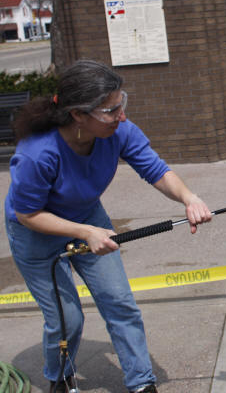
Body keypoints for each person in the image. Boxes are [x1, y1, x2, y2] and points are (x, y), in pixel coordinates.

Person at [4, 60, 212, 393]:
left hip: (87, 215)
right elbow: (28, 213)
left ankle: (141, 382)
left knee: (119, 301)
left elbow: (155, 169)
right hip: (37, 230)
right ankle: (59, 375)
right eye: (111, 110)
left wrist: (189, 198)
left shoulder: (118, 132)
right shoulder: (37, 153)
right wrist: (84, 232)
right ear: (78, 115)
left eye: (121, 104)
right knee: (67, 320)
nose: (122, 116)